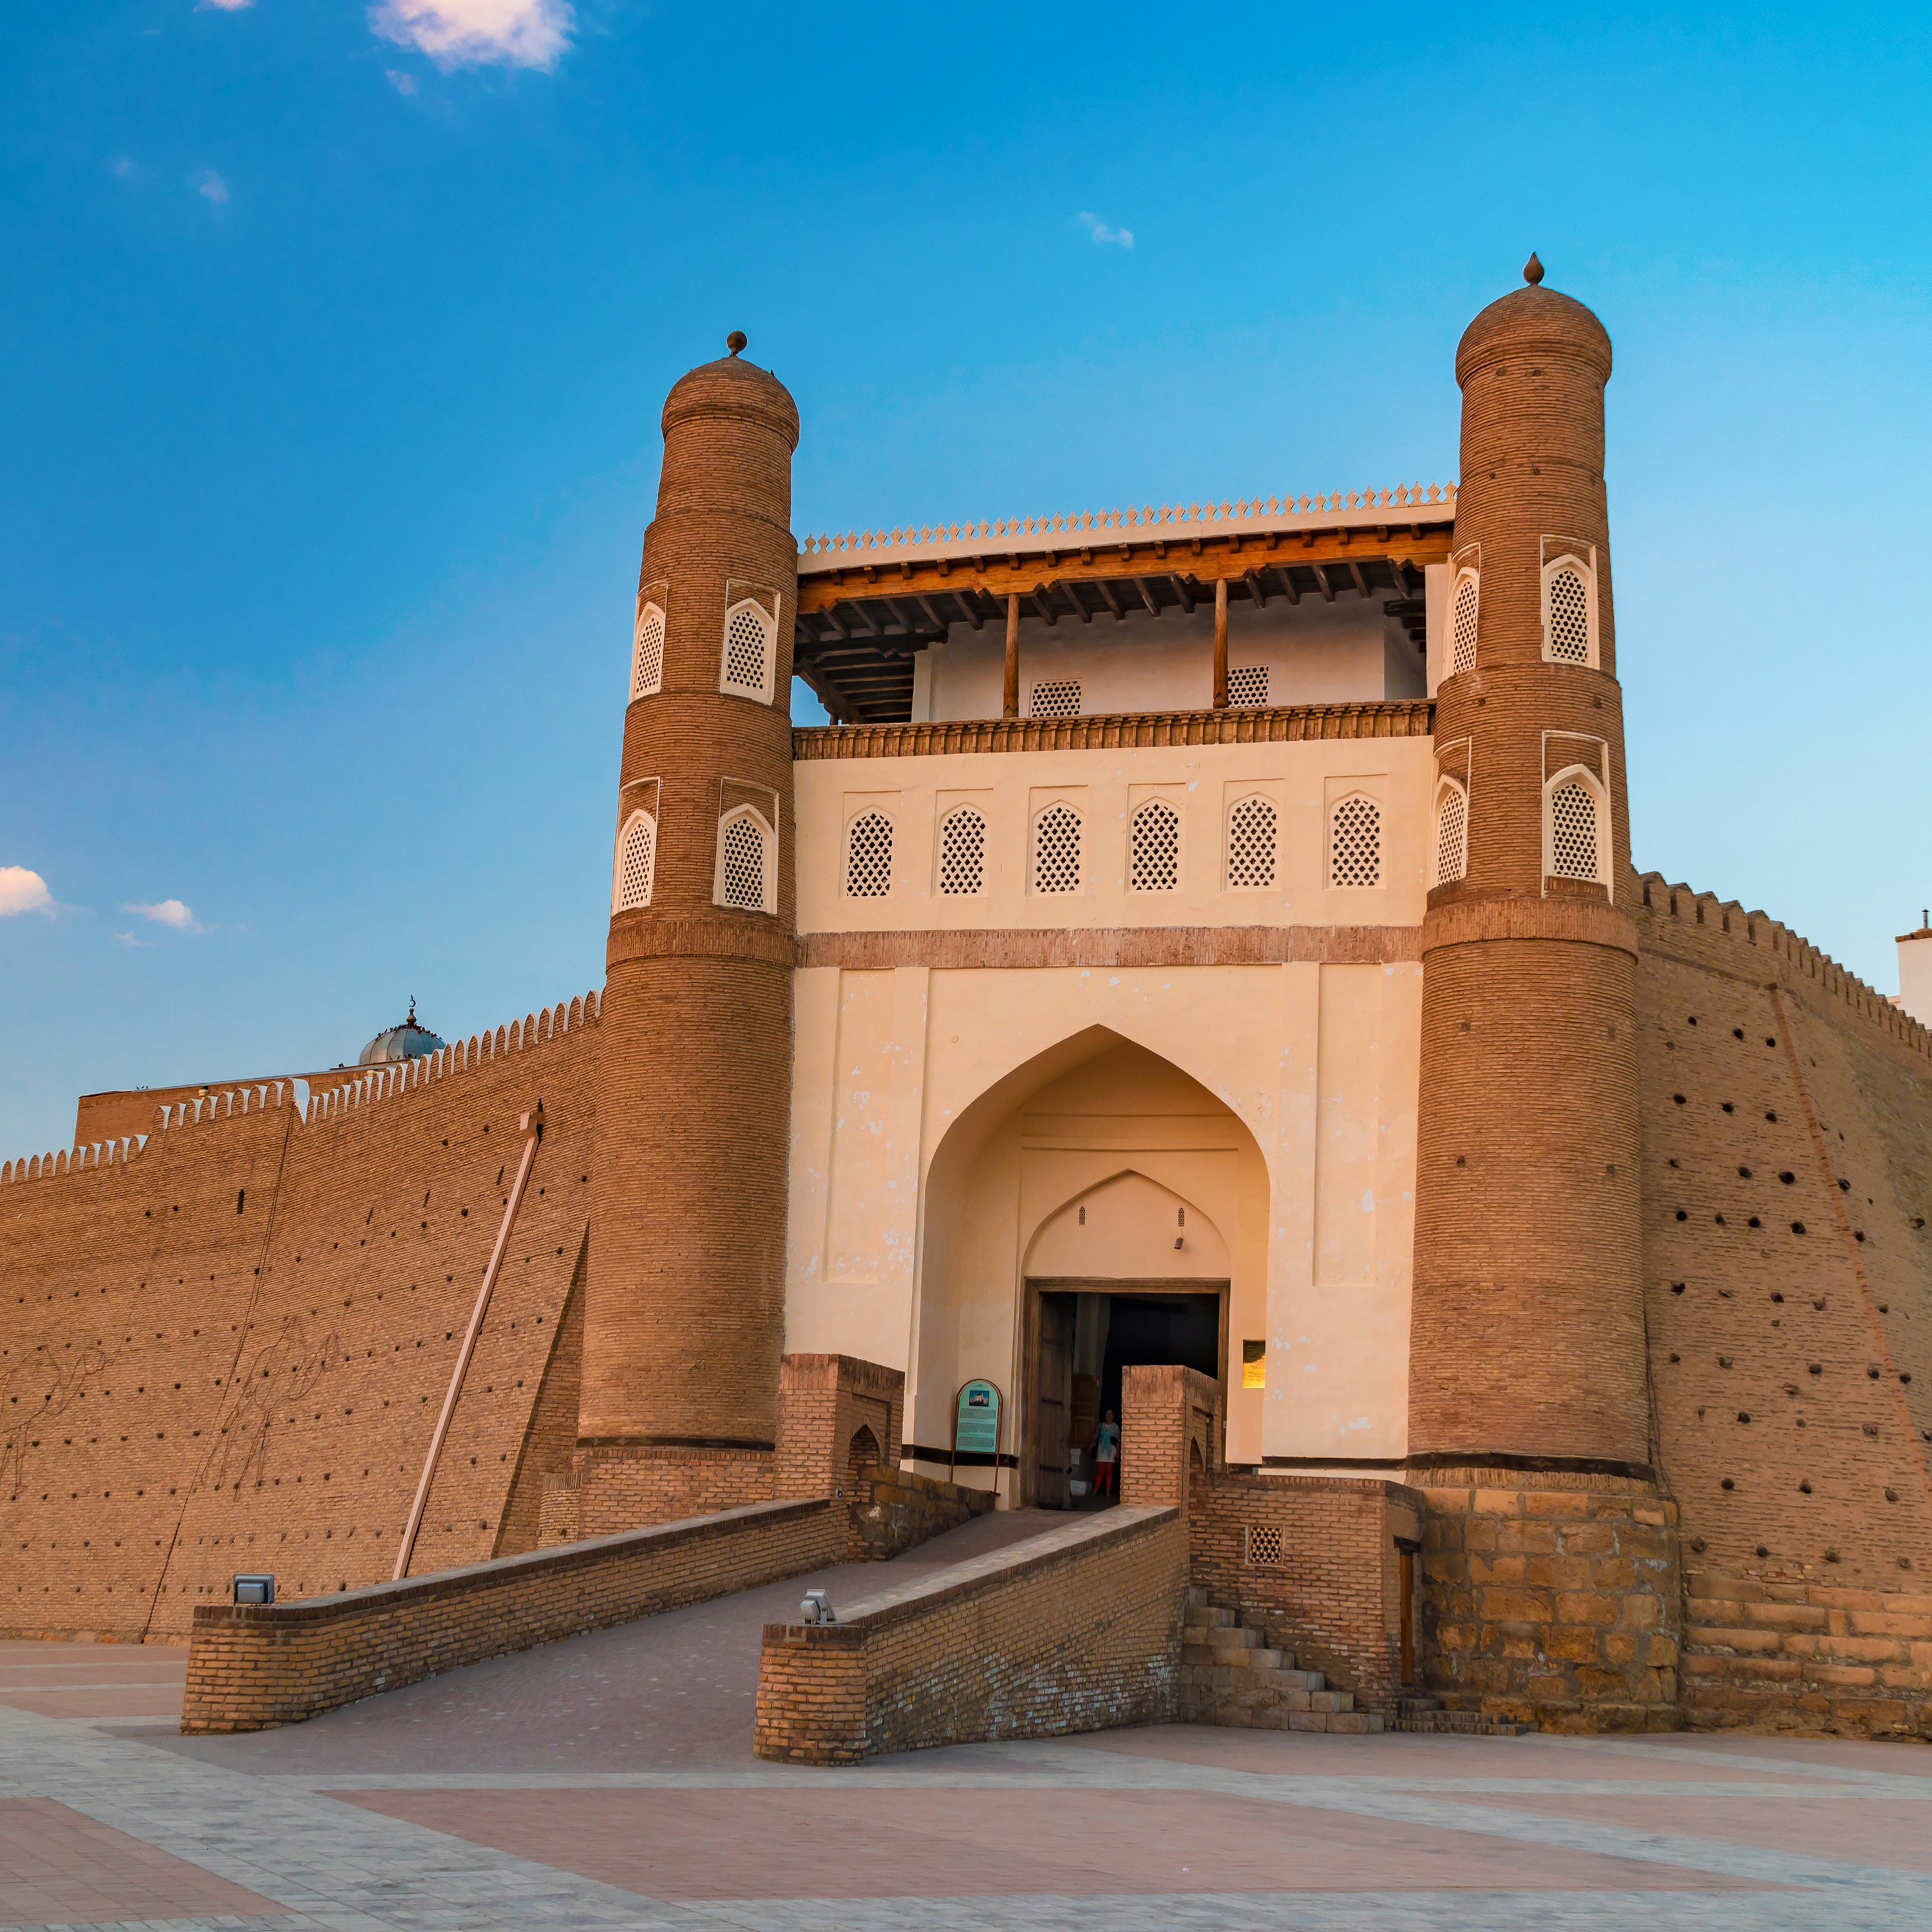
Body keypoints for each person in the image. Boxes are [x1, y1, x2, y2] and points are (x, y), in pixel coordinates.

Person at [1093, 1409, 1120, 1499]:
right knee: (1100, 1472)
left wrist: (1117, 1454)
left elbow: (1117, 1442)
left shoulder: (1116, 1427)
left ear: (1113, 1416)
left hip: (1111, 1451)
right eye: (1106, 1414)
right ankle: (1096, 1490)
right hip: (1102, 1451)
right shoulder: (1101, 1426)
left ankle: (1108, 1491)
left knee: (1109, 1472)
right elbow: (1095, 1437)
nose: (1107, 1416)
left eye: (1109, 1414)